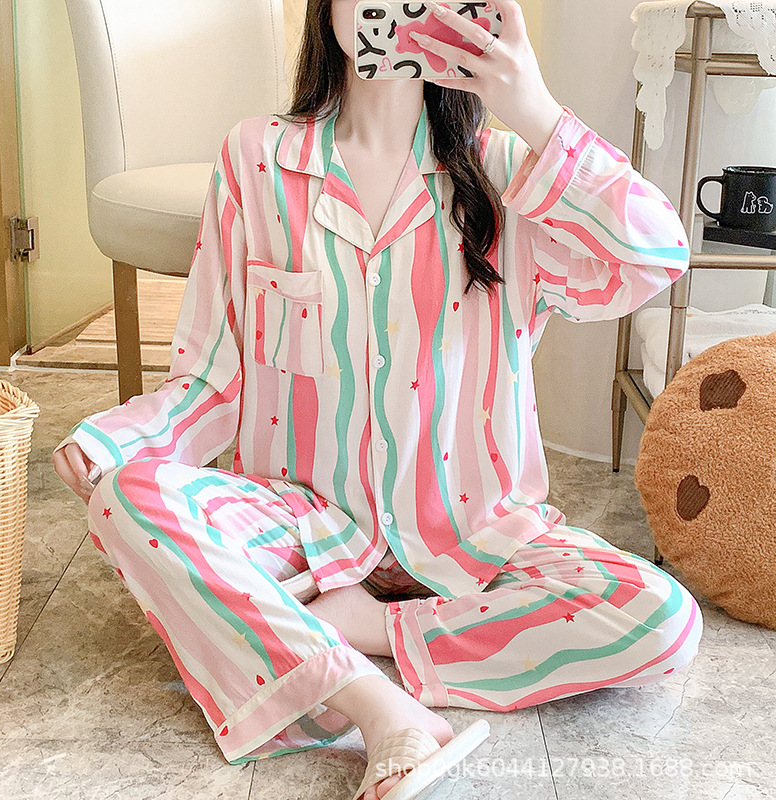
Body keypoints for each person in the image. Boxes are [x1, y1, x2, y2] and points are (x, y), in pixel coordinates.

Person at [53, 1, 704, 798]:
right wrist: (116, 441)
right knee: (129, 497)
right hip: (305, 527)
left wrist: (532, 105)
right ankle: (375, 706)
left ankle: (357, 634)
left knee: (659, 617)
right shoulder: (257, 160)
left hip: (473, 533)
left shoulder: (507, 171)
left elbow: (655, 256)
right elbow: (215, 377)